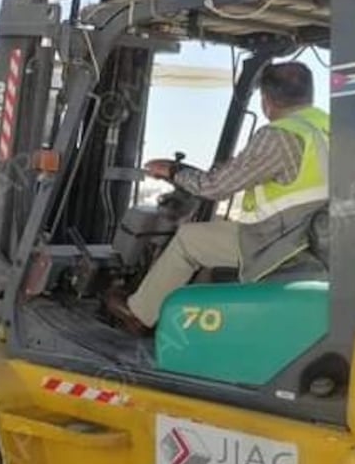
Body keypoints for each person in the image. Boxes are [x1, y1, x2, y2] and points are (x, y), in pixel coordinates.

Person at [106, 62, 330, 334]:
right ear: (309, 94)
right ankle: (188, 314)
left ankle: (140, 313)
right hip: (317, 241)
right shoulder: (329, 129)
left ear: (266, 101)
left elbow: (216, 187)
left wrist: (173, 170)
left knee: (189, 240)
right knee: (217, 232)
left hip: (280, 245)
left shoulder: (281, 135)